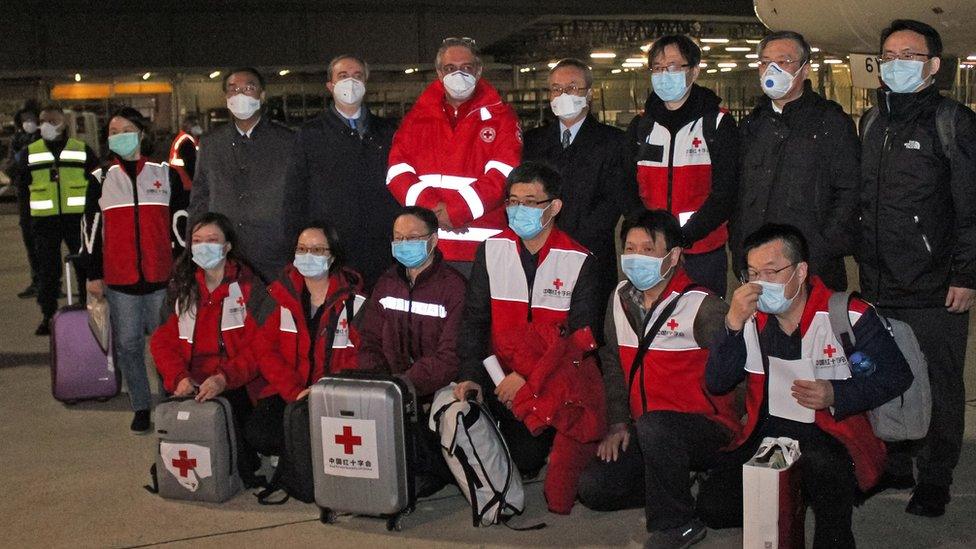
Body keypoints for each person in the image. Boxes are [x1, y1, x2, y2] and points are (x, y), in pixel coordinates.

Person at [706, 224, 913, 549]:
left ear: (800, 271)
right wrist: (731, 326)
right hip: (768, 433)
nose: (761, 283)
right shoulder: (751, 319)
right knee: (714, 508)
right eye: (753, 273)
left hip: (833, 435)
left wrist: (837, 394)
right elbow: (717, 382)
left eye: (772, 272)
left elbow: (896, 375)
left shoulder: (848, 314)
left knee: (824, 473)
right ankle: (790, 503)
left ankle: (832, 530)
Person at [857, 19, 976, 517]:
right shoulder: (871, 121)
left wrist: (966, 274)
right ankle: (898, 461)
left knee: (940, 382)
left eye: (909, 54)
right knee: (888, 373)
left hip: (934, 283)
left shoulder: (952, 121)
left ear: (932, 65)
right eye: (889, 55)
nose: (897, 62)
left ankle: (936, 477)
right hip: (880, 282)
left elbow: (970, 204)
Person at [577, 210, 739, 549]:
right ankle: (674, 484)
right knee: (595, 488)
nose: (636, 258)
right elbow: (613, 364)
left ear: (674, 255)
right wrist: (619, 423)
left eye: (648, 250)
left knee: (656, 427)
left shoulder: (702, 306)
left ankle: (677, 523)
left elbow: (740, 370)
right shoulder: (619, 300)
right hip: (647, 430)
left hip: (704, 427)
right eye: (630, 249)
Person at [450, 161, 603, 511]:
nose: (519, 210)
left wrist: (528, 379)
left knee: (524, 456)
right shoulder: (491, 251)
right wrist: (472, 374)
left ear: (555, 206)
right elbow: (474, 321)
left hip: (552, 379)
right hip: (497, 375)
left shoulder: (579, 260)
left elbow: (579, 340)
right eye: (512, 201)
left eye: (531, 201)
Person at [81, 107, 190, 433]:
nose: (120, 135)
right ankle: (141, 405)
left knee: (166, 344)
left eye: (126, 128)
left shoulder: (164, 173)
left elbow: (181, 223)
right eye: (114, 130)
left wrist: (184, 266)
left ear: (140, 133)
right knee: (129, 346)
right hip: (119, 280)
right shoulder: (101, 179)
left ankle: (170, 398)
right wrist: (92, 273)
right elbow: (90, 229)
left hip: (162, 278)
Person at [732, 30, 860, 291]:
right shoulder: (752, 126)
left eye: (783, 62)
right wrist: (739, 248)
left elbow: (850, 191)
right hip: (758, 266)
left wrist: (821, 247)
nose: (772, 70)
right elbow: (738, 193)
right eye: (766, 62)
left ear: (804, 69)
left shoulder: (831, 123)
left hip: (813, 267)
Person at [386, 37, 521, 276]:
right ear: (439, 73)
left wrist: (455, 212)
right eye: (450, 68)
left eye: (466, 68)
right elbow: (397, 172)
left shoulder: (502, 118)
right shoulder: (416, 119)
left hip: (482, 252)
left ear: (478, 71)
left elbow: (504, 175)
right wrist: (431, 210)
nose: (458, 74)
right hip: (425, 249)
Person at [358, 206, 467, 496]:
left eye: (413, 237)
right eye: (398, 237)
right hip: (391, 388)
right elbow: (368, 339)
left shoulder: (454, 287)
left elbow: (450, 355)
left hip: (434, 392)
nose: (405, 244)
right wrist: (382, 381)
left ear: (434, 240)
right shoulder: (386, 283)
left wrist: (407, 384)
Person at [150, 213, 265, 486]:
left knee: (242, 454)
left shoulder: (251, 288)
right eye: (197, 241)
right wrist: (177, 377)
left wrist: (224, 378)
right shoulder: (183, 287)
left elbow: (260, 348)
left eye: (212, 240)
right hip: (191, 382)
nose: (204, 247)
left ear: (227, 247)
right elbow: (162, 342)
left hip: (236, 383)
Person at [626, 35, 739, 297]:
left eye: (674, 66)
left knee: (703, 323)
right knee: (653, 323)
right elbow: (625, 183)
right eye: (657, 67)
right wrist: (645, 230)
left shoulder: (718, 124)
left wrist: (686, 235)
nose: (665, 74)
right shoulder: (641, 126)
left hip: (702, 250)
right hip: (651, 251)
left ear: (694, 71)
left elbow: (726, 192)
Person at [523, 57, 636, 314]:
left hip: (590, 254)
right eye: (556, 89)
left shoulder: (613, 142)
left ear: (590, 94)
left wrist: (567, 241)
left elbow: (613, 202)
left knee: (588, 328)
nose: (563, 94)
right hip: (540, 252)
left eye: (572, 88)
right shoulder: (534, 142)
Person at [248, 221, 365, 463]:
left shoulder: (355, 302)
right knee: (260, 433)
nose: (307, 256)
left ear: (332, 257)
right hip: (291, 391)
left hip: (335, 395)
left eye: (317, 250)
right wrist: (295, 392)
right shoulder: (279, 295)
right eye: (301, 249)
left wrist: (323, 392)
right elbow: (265, 350)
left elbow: (362, 356)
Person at [285, 54, 400, 290]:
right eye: (343, 76)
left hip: (380, 246)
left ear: (366, 83)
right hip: (333, 247)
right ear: (330, 85)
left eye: (358, 76)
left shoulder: (388, 131)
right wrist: (298, 244)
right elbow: (295, 195)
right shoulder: (310, 134)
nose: (351, 82)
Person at [189, 67, 295, 282]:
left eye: (248, 88)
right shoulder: (211, 143)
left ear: (262, 95)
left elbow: (300, 197)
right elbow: (200, 197)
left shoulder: (288, 142)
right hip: (225, 254)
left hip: (274, 254)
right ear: (226, 97)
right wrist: (195, 245)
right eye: (233, 89)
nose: (240, 94)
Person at [16, 103, 98, 335]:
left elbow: (96, 187)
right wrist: (26, 221)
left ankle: (87, 311)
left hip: (77, 221)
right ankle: (48, 315)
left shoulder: (82, 150)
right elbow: (23, 191)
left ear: (63, 123)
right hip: (44, 222)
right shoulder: (30, 153)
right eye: (42, 121)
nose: (45, 126)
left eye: (51, 121)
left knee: (85, 266)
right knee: (47, 271)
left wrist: (93, 219)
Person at [5, 104, 40, 299]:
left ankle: (52, 282)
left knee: (46, 244)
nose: (29, 123)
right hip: (25, 196)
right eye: (25, 120)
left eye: (31, 119)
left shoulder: (45, 139)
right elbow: (10, 167)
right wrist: (21, 156)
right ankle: (37, 281)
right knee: (30, 241)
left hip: (46, 198)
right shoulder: (17, 141)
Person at [168, 112, 202, 191]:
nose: (198, 127)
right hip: (184, 181)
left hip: (178, 179)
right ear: (188, 126)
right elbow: (191, 164)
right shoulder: (186, 141)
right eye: (195, 124)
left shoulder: (183, 138)